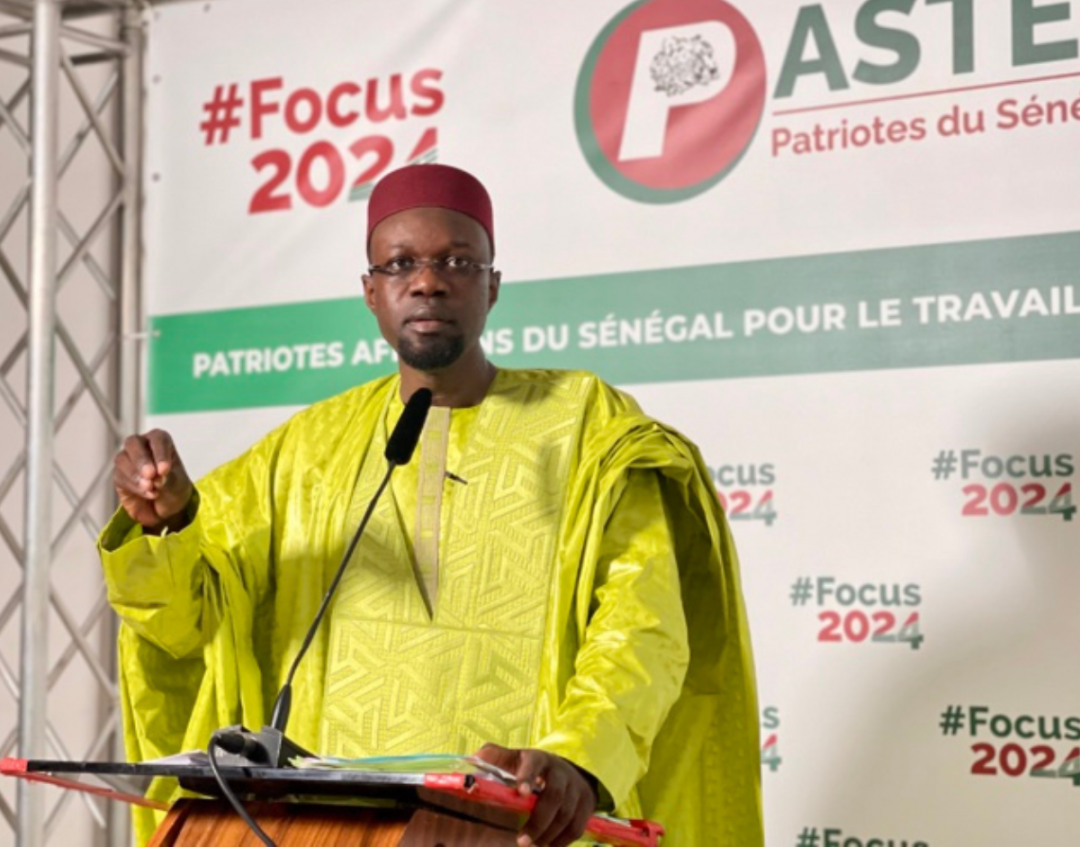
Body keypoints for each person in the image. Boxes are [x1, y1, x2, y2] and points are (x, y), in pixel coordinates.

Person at [100, 164, 763, 847]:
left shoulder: (589, 428)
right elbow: (188, 628)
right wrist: (167, 526)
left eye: (457, 261)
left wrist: (581, 759)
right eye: (400, 264)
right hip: (338, 829)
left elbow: (644, 623)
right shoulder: (302, 454)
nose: (427, 281)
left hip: (521, 824)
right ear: (370, 291)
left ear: (492, 285)